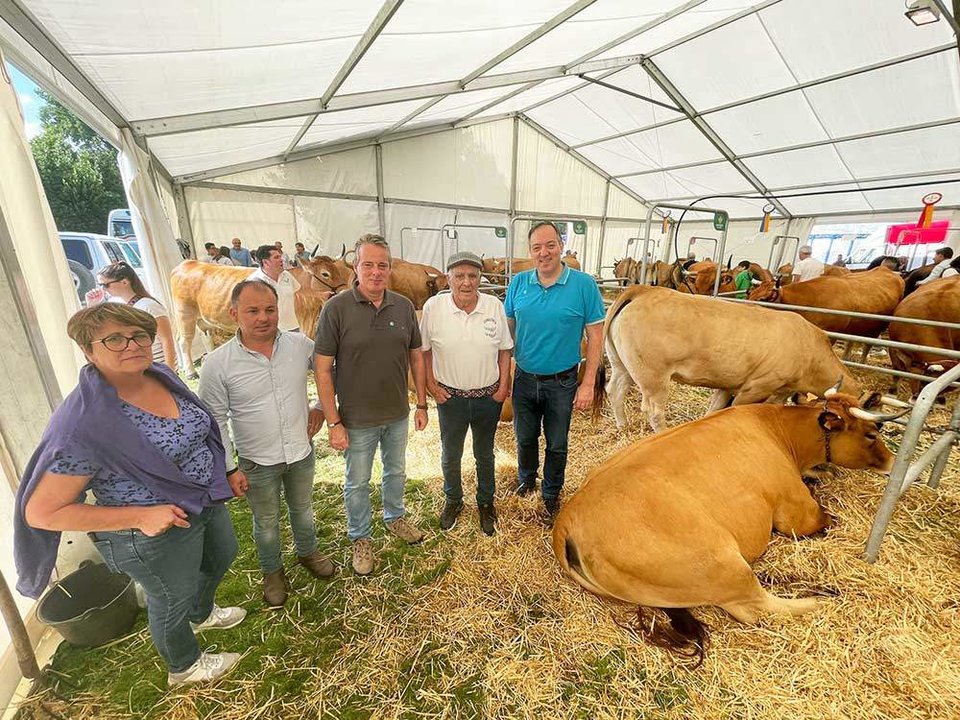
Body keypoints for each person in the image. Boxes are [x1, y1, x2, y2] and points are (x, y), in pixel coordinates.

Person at [15, 304, 245, 687]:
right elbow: (41, 512)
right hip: (149, 532)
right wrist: (140, 516)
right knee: (170, 596)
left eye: (140, 335)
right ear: (89, 351)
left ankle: (200, 613)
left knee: (222, 554)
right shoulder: (83, 425)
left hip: (199, 500)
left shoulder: (159, 374)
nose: (132, 345)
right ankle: (184, 665)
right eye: (114, 339)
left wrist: (223, 471)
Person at [199, 280, 333, 607]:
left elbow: (329, 373)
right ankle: (272, 571)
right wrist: (229, 468)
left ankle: (307, 551)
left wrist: (319, 406)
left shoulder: (300, 345)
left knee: (302, 508)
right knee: (267, 521)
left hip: (300, 451)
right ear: (234, 314)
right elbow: (214, 420)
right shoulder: (218, 363)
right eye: (253, 311)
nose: (263, 318)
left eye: (270, 310)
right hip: (257, 459)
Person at [314, 234, 428, 575]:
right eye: (368, 264)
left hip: (396, 413)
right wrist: (334, 422)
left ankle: (395, 517)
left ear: (390, 268)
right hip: (356, 418)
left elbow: (416, 358)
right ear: (355, 266)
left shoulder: (404, 306)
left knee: (396, 471)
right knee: (357, 481)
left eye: (383, 265)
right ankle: (360, 536)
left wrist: (421, 403)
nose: (376, 272)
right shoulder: (336, 308)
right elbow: (322, 368)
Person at [505, 222, 605, 521]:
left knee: (557, 442)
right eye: (537, 247)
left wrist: (587, 384)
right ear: (530, 251)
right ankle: (526, 478)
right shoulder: (518, 284)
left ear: (561, 246)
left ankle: (550, 493)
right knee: (524, 436)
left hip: (562, 381)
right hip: (523, 377)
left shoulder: (584, 285)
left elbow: (596, 337)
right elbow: (506, 333)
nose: (544, 253)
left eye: (550, 245)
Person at [420, 251, 512, 536]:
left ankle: (485, 502)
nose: (466, 282)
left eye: (472, 276)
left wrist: (503, 388)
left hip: (487, 398)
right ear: (448, 278)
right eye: (459, 276)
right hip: (451, 398)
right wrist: (432, 387)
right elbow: (423, 352)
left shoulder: (494, 305)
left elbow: (505, 350)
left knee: (484, 453)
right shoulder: (433, 307)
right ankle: (454, 500)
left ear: (480, 278)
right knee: (451, 454)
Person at [84, 261, 177, 370]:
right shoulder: (119, 305)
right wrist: (92, 305)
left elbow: (167, 340)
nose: (103, 289)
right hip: (137, 367)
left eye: (105, 285)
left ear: (124, 282)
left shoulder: (149, 306)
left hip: (155, 367)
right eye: (100, 285)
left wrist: (169, 372)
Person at [250, 244, 302, 332]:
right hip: (270, 330)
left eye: (280, 256)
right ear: (266, 262)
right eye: (276, 257)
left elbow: (299, 291)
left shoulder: (286, 275)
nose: (281, 259)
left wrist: (320, 295)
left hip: (293, 326)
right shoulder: (254, 283)